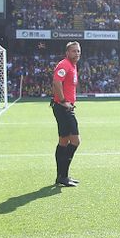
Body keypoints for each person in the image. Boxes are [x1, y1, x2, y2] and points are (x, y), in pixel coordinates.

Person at [51, 41, 81, 187]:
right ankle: (63, 175)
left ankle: (62, 176)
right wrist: (63, 101)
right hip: (64, 109)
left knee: (63, 142)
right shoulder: (64, 64)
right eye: (74, 51)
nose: (77, 54)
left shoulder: (73, 66)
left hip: (64, 108)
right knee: (75, 141)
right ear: (67, 52)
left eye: (78, 51)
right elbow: (57, 82)